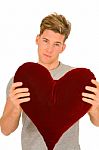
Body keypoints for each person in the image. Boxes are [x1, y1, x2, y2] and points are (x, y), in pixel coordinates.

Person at [0, 12, 99, 150]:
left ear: (63, 48)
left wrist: (95, 108)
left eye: (56, 44)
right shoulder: (21, 80)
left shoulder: (79, 80)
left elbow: (97, 122)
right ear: (37, 39)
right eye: (46, 41)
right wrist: (15, 107)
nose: (49, 49)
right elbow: (5, 130)